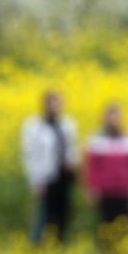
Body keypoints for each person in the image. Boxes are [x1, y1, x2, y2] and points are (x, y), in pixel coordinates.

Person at [21, 91, 78, 243]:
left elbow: (71, 147)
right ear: (45, 104)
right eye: (53, 103)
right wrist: (36, 181)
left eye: (59, 103)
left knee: (63, 214)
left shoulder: (67, 123)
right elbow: (29, 155)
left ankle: (59, 245)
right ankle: (37, 246)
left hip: (64, 176)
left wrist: (73, 163)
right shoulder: (33, 126)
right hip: (45, 177)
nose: (56, 106)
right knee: (42, 215)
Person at [84, 104, 128, 225]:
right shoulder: (96, 140)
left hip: (125, 191)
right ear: (104, 118)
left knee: (126, 224)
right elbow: (91, 167)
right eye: (110, 116)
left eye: (116, 116)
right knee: (105, 225)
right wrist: (91, 188)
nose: (113, 120)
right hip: (105, 192)